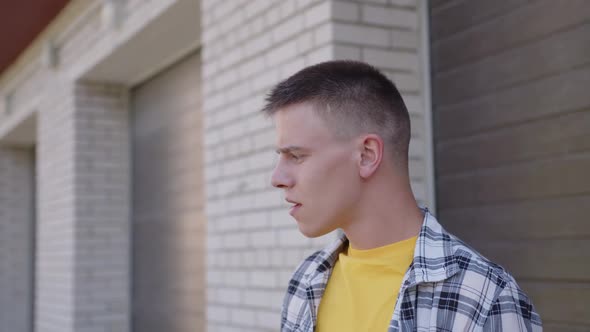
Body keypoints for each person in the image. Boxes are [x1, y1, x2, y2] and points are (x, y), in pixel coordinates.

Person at [262, 60, 542, 332]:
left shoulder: (485, 297)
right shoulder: (306, 280)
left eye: (296, 156)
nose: (277, 178)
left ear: (366, 155)